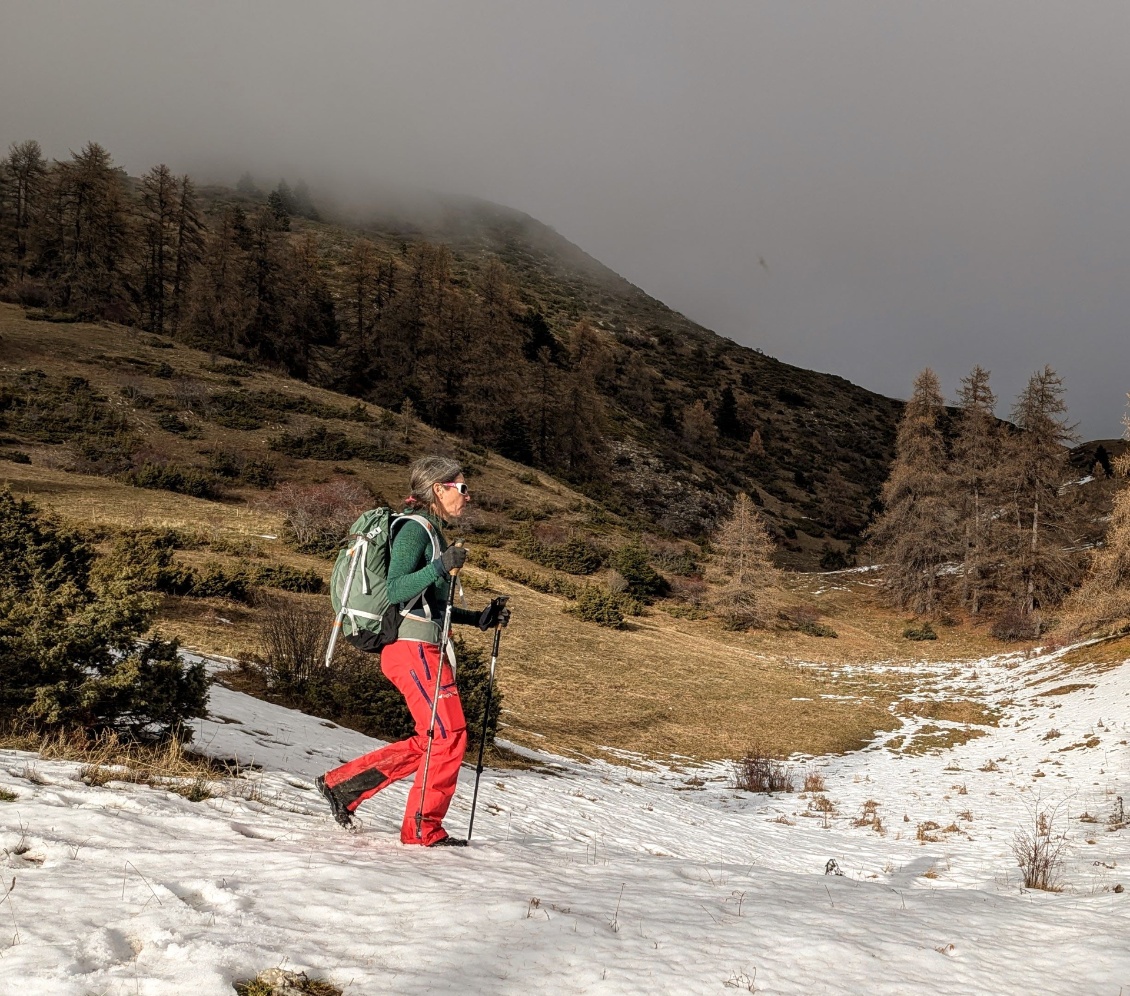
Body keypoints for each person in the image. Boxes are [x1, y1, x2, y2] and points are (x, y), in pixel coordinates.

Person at [315, 455, 510, 846]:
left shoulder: (432, 531)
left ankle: (343, 785)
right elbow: (397, 589)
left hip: (422, 647)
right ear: (439, 489)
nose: (467, 497)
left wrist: (479, 619)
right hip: (411, 651)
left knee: (434, 738)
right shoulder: (415, 529)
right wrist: (440, 567)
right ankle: (423, 830)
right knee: (449, 736)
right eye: (462, 488)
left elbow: (429, 607)